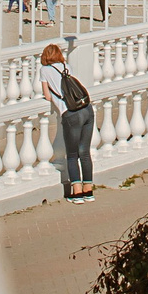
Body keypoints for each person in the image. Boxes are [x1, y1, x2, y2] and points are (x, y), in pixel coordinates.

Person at [38, 42, 95, 201]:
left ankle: (76, 192)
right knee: (84, 152)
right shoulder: (66, 66)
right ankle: (88, 190)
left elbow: (48, 96)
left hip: (70, 113)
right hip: (86, 109)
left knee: (72, 154)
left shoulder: (45, 70)